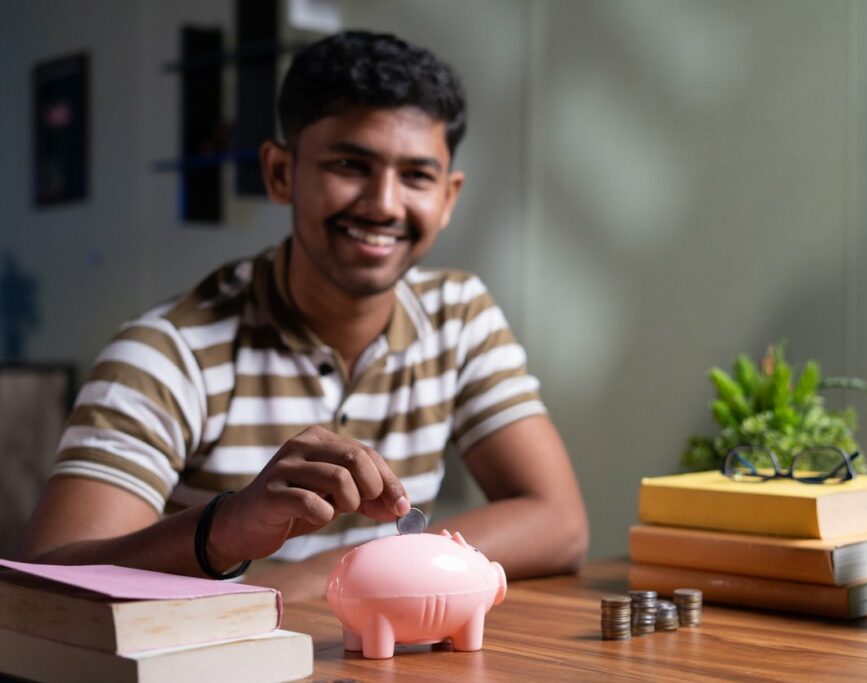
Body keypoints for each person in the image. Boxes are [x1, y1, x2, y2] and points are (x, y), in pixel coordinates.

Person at [17, 30, 589, 601]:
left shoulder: (459, 315)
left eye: (416, 176)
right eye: (350, 164)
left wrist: (332, 572)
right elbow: (42, 583)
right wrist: (224, 530)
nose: (385, 204)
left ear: (448, 198)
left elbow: (560, 524)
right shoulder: (166, 354)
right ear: (281, 173)